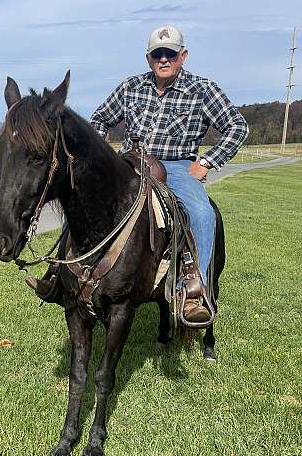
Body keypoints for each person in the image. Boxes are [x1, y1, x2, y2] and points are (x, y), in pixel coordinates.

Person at [29, 25, 249, 324]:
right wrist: (98, 159)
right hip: (131, 161)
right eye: (157, 54)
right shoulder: (131, 87)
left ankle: (194, 290)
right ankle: (59, 273)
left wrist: (207, 162)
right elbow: (99, 119)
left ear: (182, 56)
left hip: (176, 165)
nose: (163, 59)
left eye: (170, 53)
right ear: (148, 59)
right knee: (82, 202)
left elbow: (238, 126)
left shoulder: (202, 89)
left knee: (201, 212)